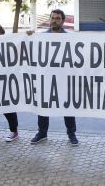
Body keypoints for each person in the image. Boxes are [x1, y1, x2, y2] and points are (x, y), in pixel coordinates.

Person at [26, 9, 78, 146]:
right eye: (52, 18)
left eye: (57, 18)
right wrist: (28, 37)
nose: (54, 20)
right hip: (45, 78)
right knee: (43, 106)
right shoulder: (41, 37)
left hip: (64, 79)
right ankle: (42, 133)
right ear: (49, 19)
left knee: (67, 106)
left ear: (63, 21)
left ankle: (71, 133)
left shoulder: (69, 38)